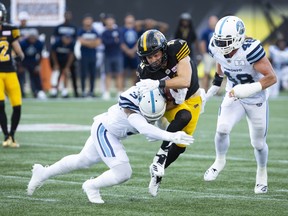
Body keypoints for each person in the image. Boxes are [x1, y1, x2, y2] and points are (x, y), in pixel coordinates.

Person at [27, 86, 194, 204]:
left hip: (108, 128)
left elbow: (153, 123)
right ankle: (91, 185)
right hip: (106, 131)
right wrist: (171, 135)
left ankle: (43, 173)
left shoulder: (155, 97)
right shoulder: (134, 107)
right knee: (123, 172)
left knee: (82, 160)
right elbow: (144, 127)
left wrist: (164, 131)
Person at [202, 16, 277, 194]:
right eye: (219, 41)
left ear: (237, 38)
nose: (221, 45)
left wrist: (249, 89)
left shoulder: (250, 50)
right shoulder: (215, 45)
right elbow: (221, 63)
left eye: (225, 41)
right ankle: (219, 161)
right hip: (233, 94)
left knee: (258, 143)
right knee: (221, 129)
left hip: (256, 99)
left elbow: (272, 77)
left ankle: (261, 173)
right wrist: (215, 84)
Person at [136, 29, 204, 196]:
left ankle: (157, 172)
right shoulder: (145, 70)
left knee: (182, 144)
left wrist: (159, 83)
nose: (153, 60)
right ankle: (159, 157)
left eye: (156, 54)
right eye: (149, 57)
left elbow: (185, 81)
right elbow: (149, 99)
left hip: (193, 97)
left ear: (164, 50)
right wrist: (150, 121)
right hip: (172, 103)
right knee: (184, 116)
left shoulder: (177, 48)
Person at [0, 2, 25, 147]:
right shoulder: (9, 29)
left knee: (17, 105)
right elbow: (19, 52)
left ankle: (12, 135)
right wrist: (19, 56)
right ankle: (6, 136)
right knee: (0, 105)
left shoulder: (10, 30)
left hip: (10, 72)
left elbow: (18, 50)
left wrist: (19, 56)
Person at [51, 10, 79, 98]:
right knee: (57, 73)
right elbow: (53, 52)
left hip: (67, 57)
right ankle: (54, 91)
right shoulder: (57, 41)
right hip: (57, 57)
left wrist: (67, 66)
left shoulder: (73, 30)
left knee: (68, 72)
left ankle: (66, 91)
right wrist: (55, 63)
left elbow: (71, 54)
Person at [78, 14, 101, 97]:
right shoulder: (81, 31)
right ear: (83, 21)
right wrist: (92, 43)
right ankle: (83, 91)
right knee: (83, 74)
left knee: (92, 74)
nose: (88, 22)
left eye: (89, 20)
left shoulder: (95, 31)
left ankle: (91, 91)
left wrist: (86, 43)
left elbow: (98, 42)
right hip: (84, 55)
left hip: (92, 55)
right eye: (86, 20)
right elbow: (80, 41)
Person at [101, 14, 124, 100]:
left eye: (111, 20)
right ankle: (107, 92)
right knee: (108, 74)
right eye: (108, 20)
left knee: (119, 74)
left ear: (114, 21)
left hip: (118, 55)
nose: (110, 22)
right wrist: (114, 40)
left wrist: (113, 41)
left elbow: (120, 41)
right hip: (108, 55)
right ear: (106, 22)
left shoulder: (118, 31)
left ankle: (119, 92)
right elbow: (105, 42)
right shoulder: (104, 32)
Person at [19, 28, 46, 99]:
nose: (32, 39)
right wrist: (20, 65)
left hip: (33, 61)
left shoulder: (39, 43)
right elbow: (18, 54)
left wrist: (38, 65)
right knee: (20, 76)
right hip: (24, 60)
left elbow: (40, 55)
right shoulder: (23, 43)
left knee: (36, 76)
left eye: (34, 37)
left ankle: (38, 91)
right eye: (31, 37)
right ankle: (21, 92)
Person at [199, 15, 218, 92]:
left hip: (217, 55)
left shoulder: (218, 31)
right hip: (208, 54)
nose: (213, 22)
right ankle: (204, 89)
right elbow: (202, 43)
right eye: (212, 21)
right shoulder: (206, 32)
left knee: (218, 74)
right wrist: (204, 54)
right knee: (206, 73)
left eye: (214, 20)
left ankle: (216, 91)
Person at [120, 13, 140, 87]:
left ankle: (134, 88)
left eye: (131, 19)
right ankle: (121, 89)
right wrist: (128, 51)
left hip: (134, 54)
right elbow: (121, 43)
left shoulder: (136, 29)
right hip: (124, 55)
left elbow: (138, 41)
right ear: (125, 20)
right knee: (123, 72)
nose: (130, 21)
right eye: (128, 19)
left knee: (135, 72)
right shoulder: (122, 30)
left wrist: (133, 51)